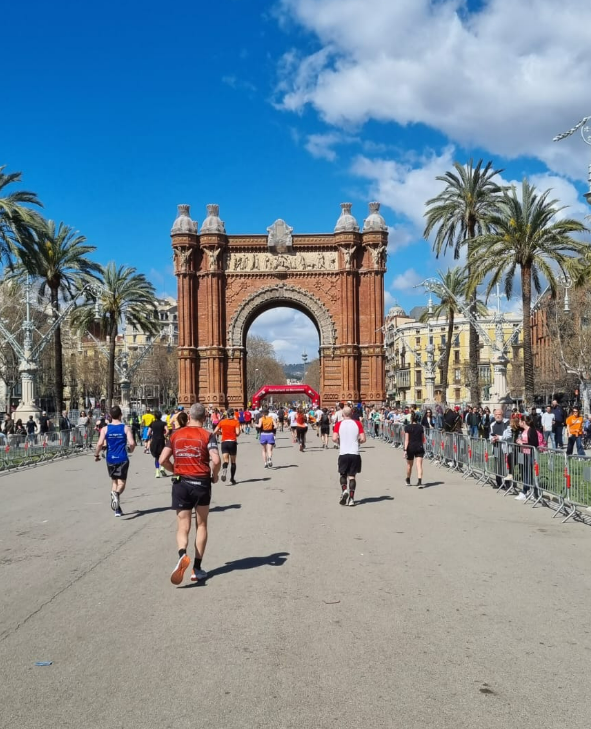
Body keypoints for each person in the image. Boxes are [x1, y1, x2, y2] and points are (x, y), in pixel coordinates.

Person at [160, 403, 221, 584]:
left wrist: (174, 469)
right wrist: (214, 475)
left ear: (189, 416)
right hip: (201, 482)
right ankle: (197, 568)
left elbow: (162, 459)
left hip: (181, 482)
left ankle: (182, 554)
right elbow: (216, 460)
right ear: (205, 418)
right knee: (201, 525)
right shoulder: (208, 435)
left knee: (182, 526)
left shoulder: (175, 435)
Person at [94, 405, 135, 517]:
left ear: (110, 416)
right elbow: (131, 443)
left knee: (114, 482)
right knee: (121, 483)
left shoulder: (105, 429)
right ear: (121, 415)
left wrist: (96, 455)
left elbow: (99, 443)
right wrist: (131, 450)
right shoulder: (126, 428)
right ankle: (116, 494)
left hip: (110, 458)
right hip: (122, 458)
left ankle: (117, 509)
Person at [332, 405, 366, 506]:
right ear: (351, 414)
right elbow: (363, 439)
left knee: (342, 474)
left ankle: (344, 490)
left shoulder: (338, 424)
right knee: (352, 477)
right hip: (354, 453)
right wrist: (357, 441)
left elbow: (334, 438)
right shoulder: (357, 423)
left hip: (343, 452)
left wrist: (339, 442)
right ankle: (351, 499)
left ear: (342, 414)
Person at [215, 409, 240, 484]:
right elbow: (238, 433)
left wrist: (221, 433)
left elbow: (215, 431)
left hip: (224, 442)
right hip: (232, 442)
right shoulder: (236, 422)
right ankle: (232, 479)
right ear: (233, 414)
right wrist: (234, 434)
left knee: (225, 460)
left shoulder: (222, 422)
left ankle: (224, 471)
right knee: (233, 461)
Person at [490, 408, 512, 489]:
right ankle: (498, 483)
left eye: (499, 414)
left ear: (502, 415)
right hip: (496, 447)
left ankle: (507, 484)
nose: (497, 416)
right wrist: (492, 439)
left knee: (506, 466)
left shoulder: (507, 423)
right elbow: (490, 435)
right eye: (496, 414)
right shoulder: (492, 424)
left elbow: (509, 435)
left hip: (505, 448)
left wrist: (499, 437)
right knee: (497, 465)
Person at [404, 412, 426, 487]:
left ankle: (408, 479)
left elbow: (406, 440)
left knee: (409, 465)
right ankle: (419, 481)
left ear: (411, 419)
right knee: (419, 465)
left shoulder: (407, 427)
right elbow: (423, 438)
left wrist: (405, 450)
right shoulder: (420, 427)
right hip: (419, 446)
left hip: (410, 447)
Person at [149, 410, 168, 478]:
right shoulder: (163, 423)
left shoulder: (152, 423)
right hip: (161, 440)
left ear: (155, 416)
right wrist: (165, 435)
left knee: (156, 457)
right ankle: (162, 468)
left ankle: (157, 472)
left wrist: (153, 435)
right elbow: (167, 431)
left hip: (154, 441)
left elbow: (148, 433)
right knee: (162, 455)